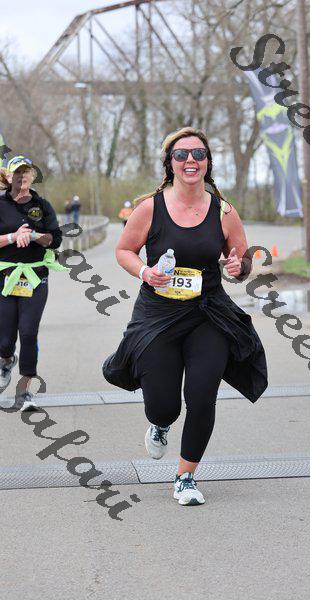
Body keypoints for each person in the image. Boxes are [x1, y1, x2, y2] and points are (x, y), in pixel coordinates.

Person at [103, 127, 268, 506]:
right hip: (158, 314)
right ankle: (160, 424)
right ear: (170, 163)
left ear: (207, 162)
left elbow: (242, 262)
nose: (190, 160)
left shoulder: (224, 211)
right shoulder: (150, 208)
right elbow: (124, 250)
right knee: (164, 405)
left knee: (202, 395)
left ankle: (185, 476)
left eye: (198, 154)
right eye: (181, 154)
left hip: (208, 312)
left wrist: (238, 266)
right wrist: (145, 272)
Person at [0, 156, 66, 410]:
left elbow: (55, 239)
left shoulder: (42, 205)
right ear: (9, 177)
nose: (23, 176)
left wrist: (35, 235)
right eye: (17, 172)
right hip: (4, 278)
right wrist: (13, 236)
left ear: (32, 176)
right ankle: (6, 359)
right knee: (5, 339)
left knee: (28, 332)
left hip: (35, 277)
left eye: (27, 172)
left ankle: (24, 390)